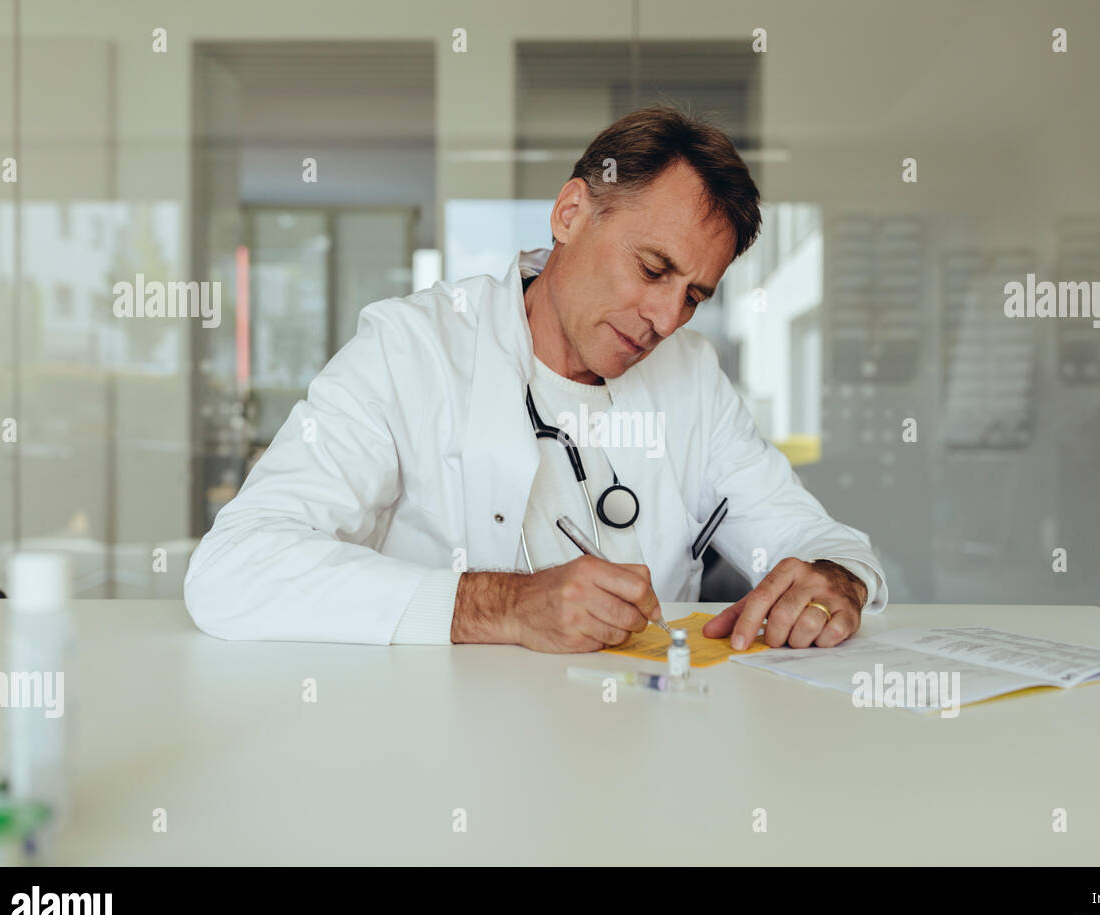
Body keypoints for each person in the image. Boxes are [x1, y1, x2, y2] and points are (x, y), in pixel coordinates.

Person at [184, 105, 888, 653]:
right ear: (571, 213)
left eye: (695, 296)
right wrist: (503, 607)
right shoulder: (413, 348)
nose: (666, 318)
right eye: (653, 269)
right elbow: (233, 570)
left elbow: (821, 543)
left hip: (643, 753)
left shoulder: (692, 379)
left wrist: (837, 580)